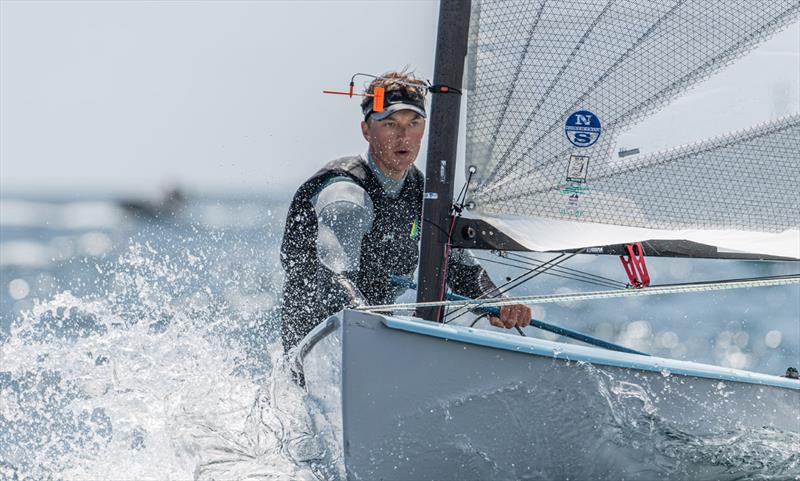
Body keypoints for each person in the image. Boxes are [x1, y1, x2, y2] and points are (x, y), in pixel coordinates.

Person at [279, 71, 531, 352]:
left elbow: (462, 271)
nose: (404, 136)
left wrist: (498, 303)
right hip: (316, 337)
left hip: (372, 336)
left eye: (414, 123)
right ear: (366, 130)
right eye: (390, 124)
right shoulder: (346, 196)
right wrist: (375, 328)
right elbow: (335, 278)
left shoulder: (424, 194)